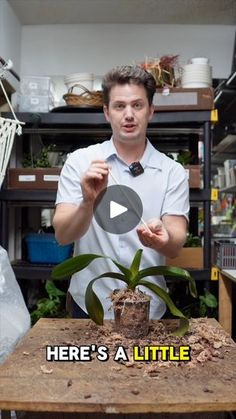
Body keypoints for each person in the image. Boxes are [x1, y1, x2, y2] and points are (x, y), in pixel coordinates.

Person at [53, 65, 189, 319]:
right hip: (90, 303)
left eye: (137, 105)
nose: (128, 114)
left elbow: (175, 244)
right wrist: (87, 202)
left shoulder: (172, 171)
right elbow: (62, 235)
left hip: (147, 306)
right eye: (119, 106)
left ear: (151, 111)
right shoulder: (81, 162)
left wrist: (163, 239)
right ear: (107, 112)